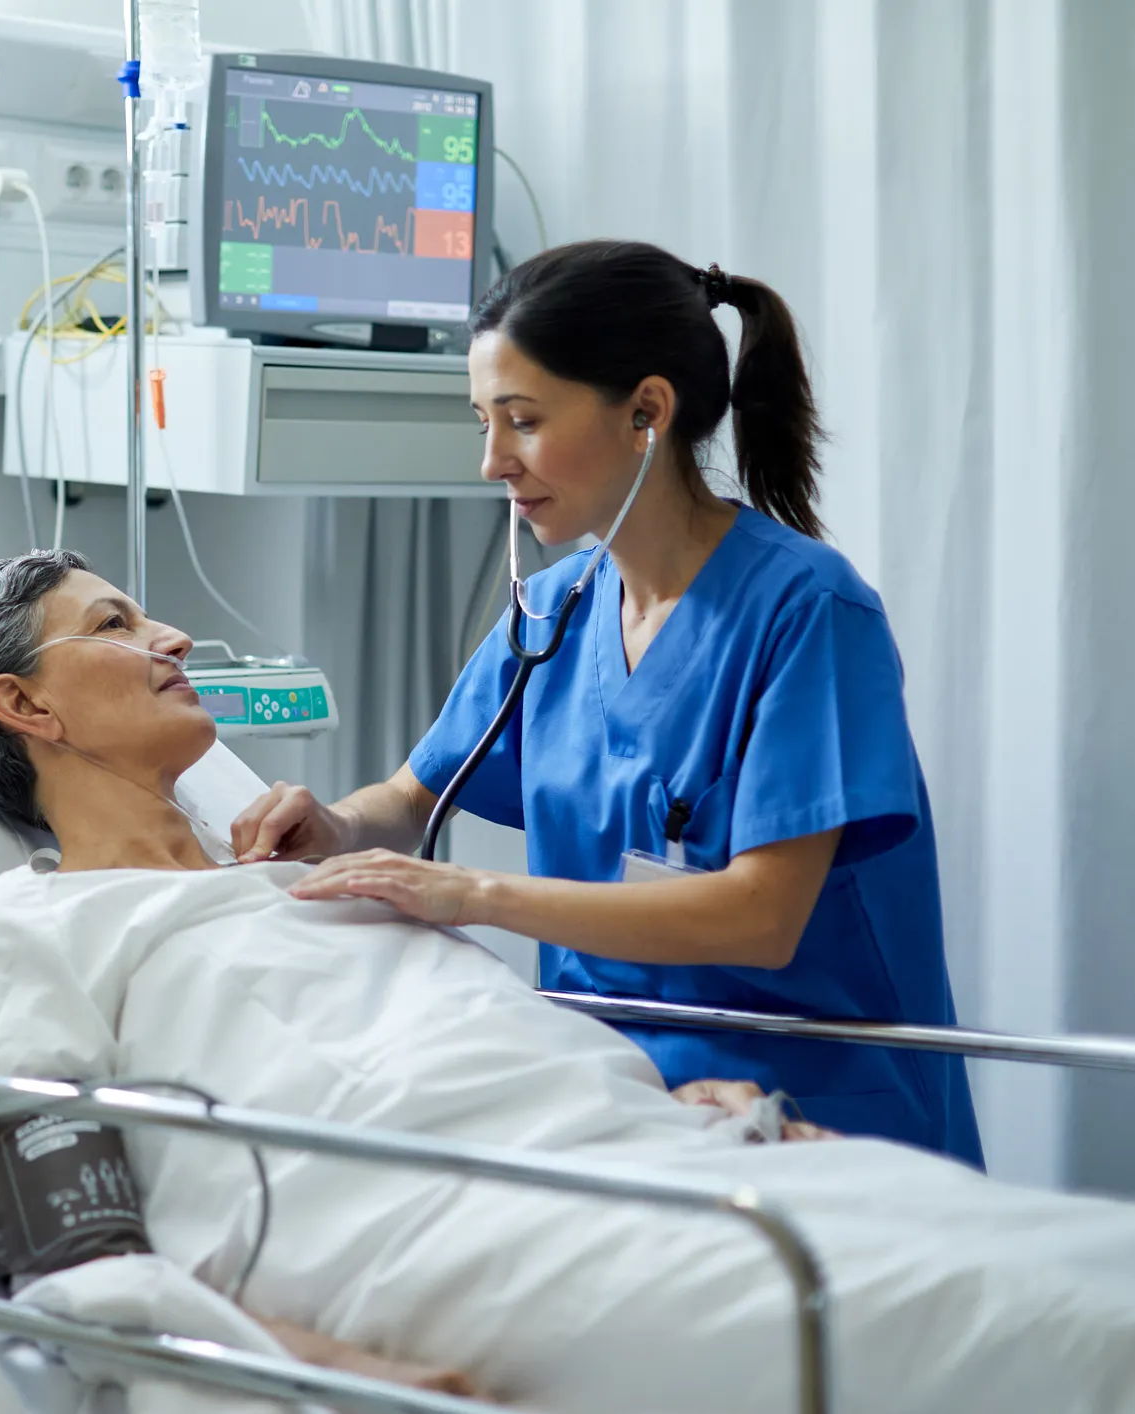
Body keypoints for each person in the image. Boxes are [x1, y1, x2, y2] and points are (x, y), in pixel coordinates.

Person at [0, 552, 1135, 1413]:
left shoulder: (309, 876)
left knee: (1083, 1267)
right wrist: (295, 1364)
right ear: (25, 705)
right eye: (113, 625)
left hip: (670, 1164)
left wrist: (669, 1112)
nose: (169, 637)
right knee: (1044, 1329)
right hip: (458, 1225)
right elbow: (72, 1249)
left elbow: (481, 1039)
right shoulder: (24, 924)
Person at [231, 241, 979, 1162]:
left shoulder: (807, 614)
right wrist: (335, 827)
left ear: (645, 414)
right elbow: (411, 798)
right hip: (612, 1095)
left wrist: (472, 894)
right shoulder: (553, 610)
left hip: (813, 1113)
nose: (492, 463)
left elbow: (760, 914)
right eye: (482, 424)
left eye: (523, 421)